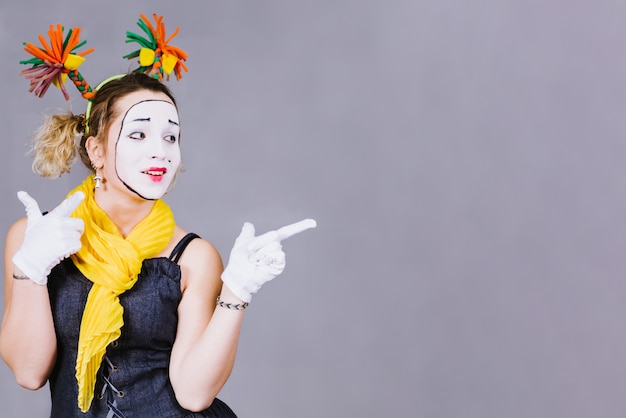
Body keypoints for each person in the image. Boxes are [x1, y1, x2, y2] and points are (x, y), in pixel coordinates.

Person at [0, 17, 315, 418]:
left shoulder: (194, 257)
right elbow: (29, 372)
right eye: (138, 134)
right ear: (96, 150)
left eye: (170, 136)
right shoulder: (34, 237)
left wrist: (236, 292)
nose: (160, 151)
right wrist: (30, 268)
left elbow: (193, 394)